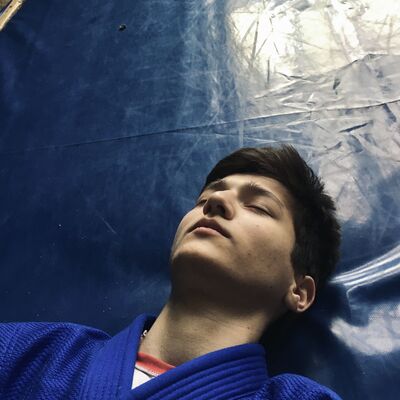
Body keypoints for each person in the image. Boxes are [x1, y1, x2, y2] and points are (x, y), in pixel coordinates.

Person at [0, 144, 342, 400]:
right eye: (204, 200)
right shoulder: (33, 351)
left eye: (258, 207)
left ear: (299, 291)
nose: (215, 203)